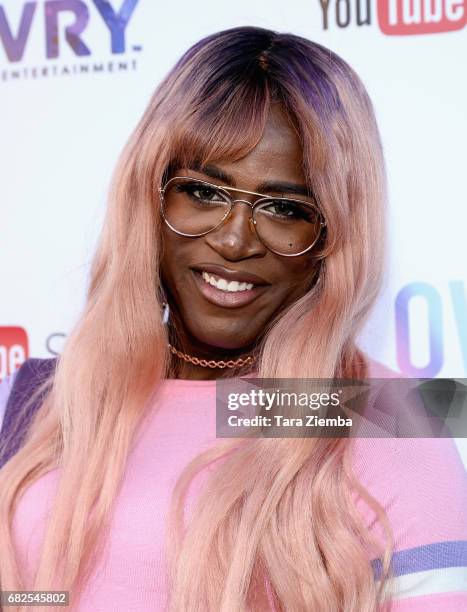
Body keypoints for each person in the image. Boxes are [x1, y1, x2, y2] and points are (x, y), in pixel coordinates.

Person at [0, 25, 466, 612]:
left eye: (283, 208)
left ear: (333, 234)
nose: (233, 239)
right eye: (202, 192)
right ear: (151, 196)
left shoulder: (384, 413)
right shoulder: (31, 398)